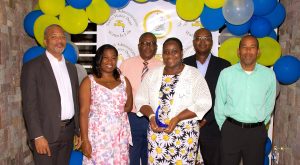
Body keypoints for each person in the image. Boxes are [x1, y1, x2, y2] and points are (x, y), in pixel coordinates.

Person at [135, 37, 212, 164]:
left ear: (181, 53)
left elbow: (204, 101)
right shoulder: (153, 74)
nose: (170, 55)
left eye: (174, 51)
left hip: (184, 135)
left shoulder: (193, 74)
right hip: (157, 134)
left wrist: (177, 118)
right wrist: (151, 117)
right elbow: (140, 99)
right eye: (166, 52)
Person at [21, 24, 81, 165]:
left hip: (68, 133)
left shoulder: (71, 68)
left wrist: (77, 130)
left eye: (62, 37)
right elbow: (29, 105)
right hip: (45, 134)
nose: (59, 40)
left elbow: (75, 101)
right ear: (45, 41)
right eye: (54, 37)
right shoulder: (32, 67)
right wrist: (37, 136)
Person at [214, 35, 276, 165]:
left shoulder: (269, 75)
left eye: (252, 47)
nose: (248, 51)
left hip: (256, 133)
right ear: (238, 51)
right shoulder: (226, 73)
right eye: (244, 47)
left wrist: (260, 125)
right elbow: (219, 103)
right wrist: (224, 127)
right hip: (231, 130)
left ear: (258, 52)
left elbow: (270, 103)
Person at [183, 28, 231, 165]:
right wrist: (194, 117)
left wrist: (206, 118)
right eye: (199, 38)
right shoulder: (183, 64)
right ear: (193, 42)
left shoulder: (224, 66)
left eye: (206, 38)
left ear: (211, 42)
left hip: (213, 127)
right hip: (187, 124)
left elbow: (225, 98)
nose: (202, 42)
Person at [80, 44, 133, 164]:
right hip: (97, 137)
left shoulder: (124, 81)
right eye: (106, 58)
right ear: (99, 60)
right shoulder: (89, 81)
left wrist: (114, 115)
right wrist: (85, 140)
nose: (110, 61)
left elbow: (129, 106)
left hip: (119, 135)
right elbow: (83, 113)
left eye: (113, 58)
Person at [120, 32, 162, 165]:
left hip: (154, 117)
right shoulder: (125, 65)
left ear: (156, 47)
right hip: (132, 117)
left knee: (150, 156)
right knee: (131, 156)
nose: (148, 46)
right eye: (144, 43)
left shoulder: (163, 67)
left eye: (151, 43)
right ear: (138, 45)